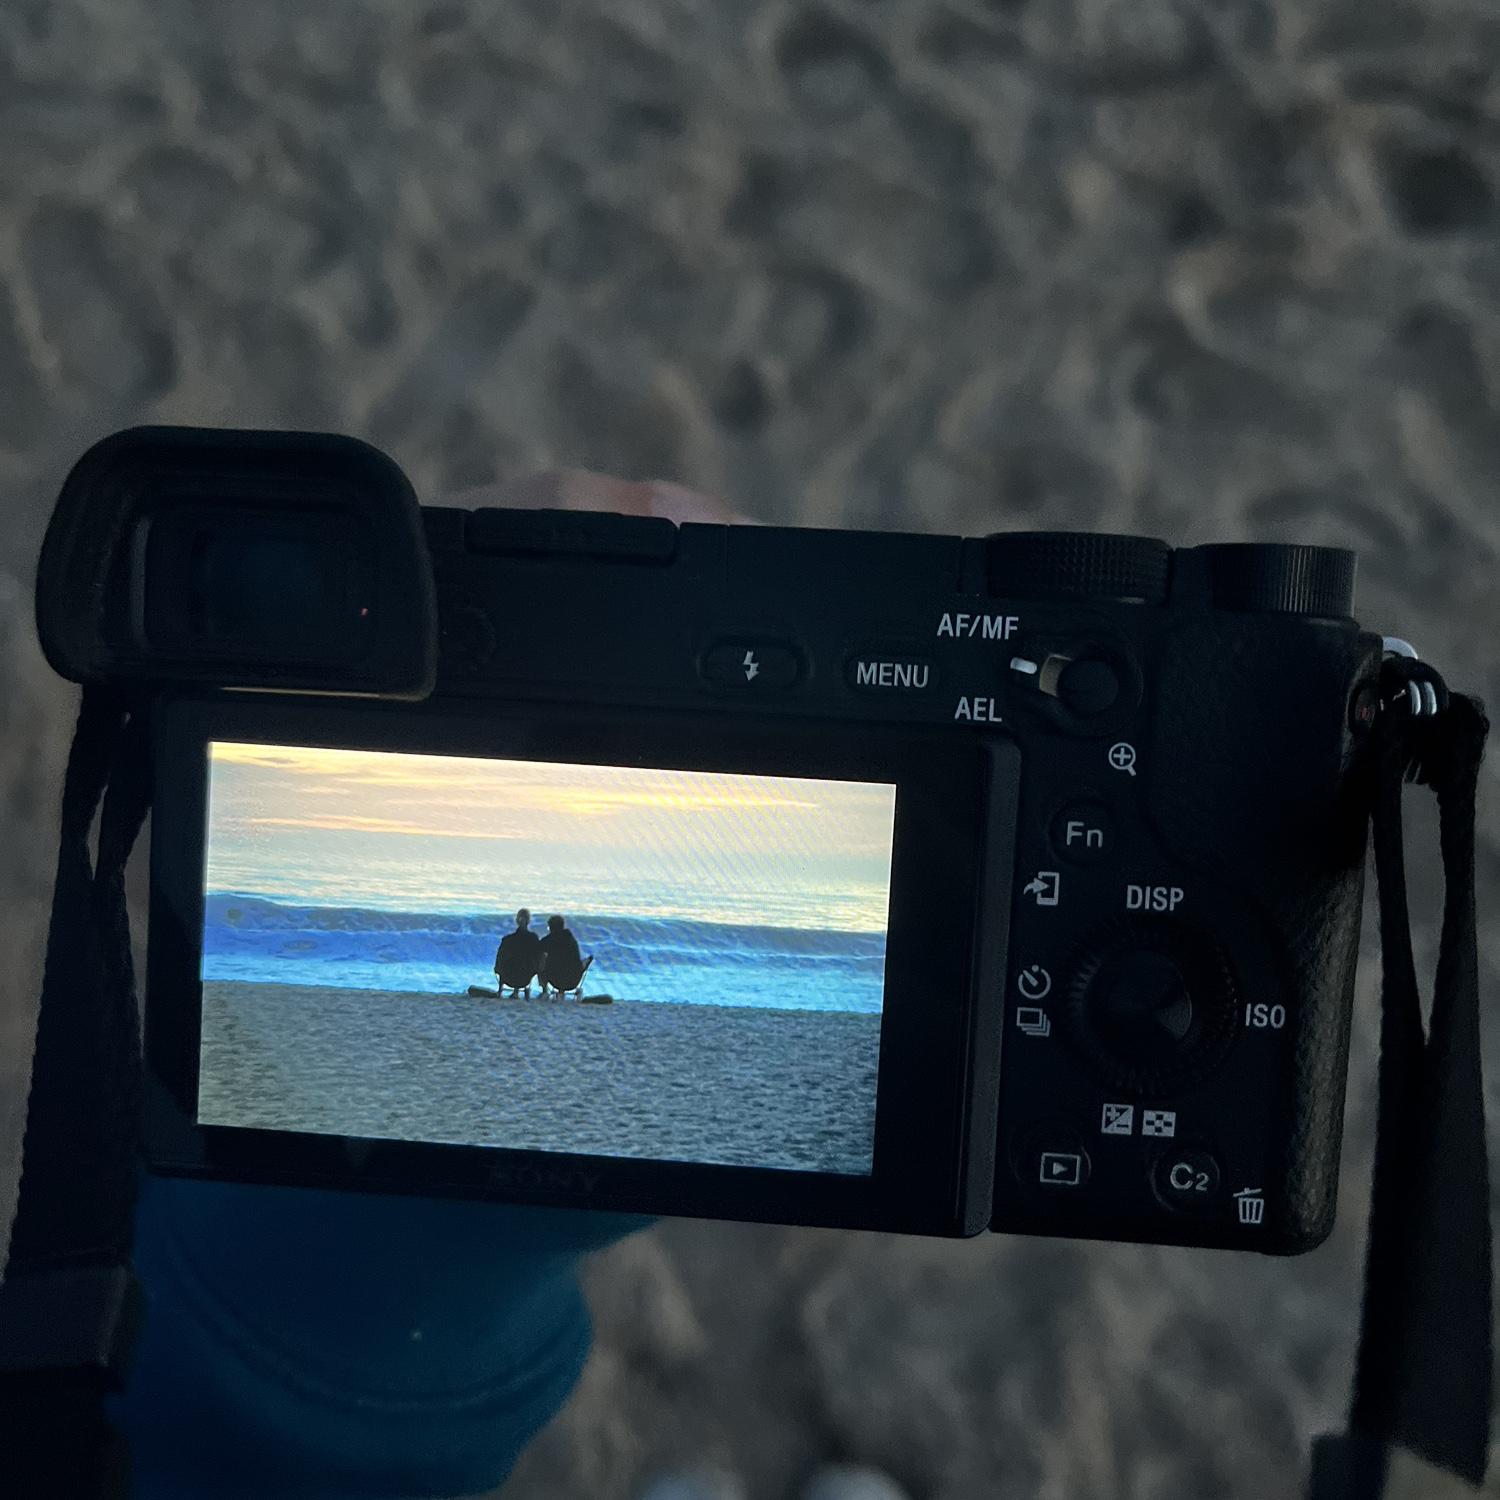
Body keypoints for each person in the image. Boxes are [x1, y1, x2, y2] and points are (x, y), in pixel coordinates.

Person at [537, 912, 588, 997]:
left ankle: (544, 990)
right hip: (573, 980)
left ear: (551, 927)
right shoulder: (571, 940)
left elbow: (537, 950)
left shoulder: (549, 940)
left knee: (541, 958)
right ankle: (561, 992)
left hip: (556, 980)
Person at [494, 907, 543, 996]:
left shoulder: (507, 940)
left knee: (504, 958)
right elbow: (538, 957)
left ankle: (500, 989)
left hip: (507, 977)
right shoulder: (533, 938)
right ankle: (543, 990)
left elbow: (500, 958)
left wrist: (497, 969)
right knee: (538, 956)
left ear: (517, 921)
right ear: (529, 921)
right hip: (525, 978)